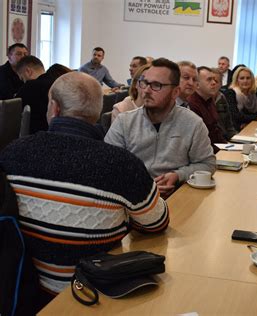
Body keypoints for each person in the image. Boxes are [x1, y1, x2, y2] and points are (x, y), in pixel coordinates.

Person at [0, 71, 169, 309]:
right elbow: (157, 222)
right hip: (96, 295)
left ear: (54, 108)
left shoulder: (13, 152)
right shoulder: (121, 163)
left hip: (22, 292)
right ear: (98, 112)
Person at [105, 58, 215, 198]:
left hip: (176, 196)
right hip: (133, 199)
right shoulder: (124, 122)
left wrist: (178, 175)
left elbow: (207, 164)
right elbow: (108, 166)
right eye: (144, 83)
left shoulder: (193, 123)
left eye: (156, 85)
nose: (147, 90)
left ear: (175, 92)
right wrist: (143, 185)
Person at [15, 56, 71, 133]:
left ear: (28, 71)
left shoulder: (30, 86)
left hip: (38, 137)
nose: (23, 81)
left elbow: (14, 113)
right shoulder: (60, 83)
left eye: (22, 78)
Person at [188, 66, 227, 152]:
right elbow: (200, 142)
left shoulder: (209, 100)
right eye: (209, 80)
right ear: (197, 85)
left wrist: (228, 147)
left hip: (218, 148)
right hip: (206, 153)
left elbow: (216, 131)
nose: (214, 83)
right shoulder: (192, 104)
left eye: (214, 79)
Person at [224, 66, 257, 131]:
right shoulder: (230, 93)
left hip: (253, 125)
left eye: (248, 78)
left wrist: (248, 121)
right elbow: (236, 116)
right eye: (242, 78)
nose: (245, 81)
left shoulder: (255, 91)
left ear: (252, 79)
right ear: (237, 80)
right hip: (237, 128)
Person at [211, 68, 237, 141]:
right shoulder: (202, 100)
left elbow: (229, 126)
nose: (213, 83)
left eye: (216, 81)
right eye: (210, 80)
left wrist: (237, 139)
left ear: (221, 84)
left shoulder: (222, 97)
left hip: (225, 138)